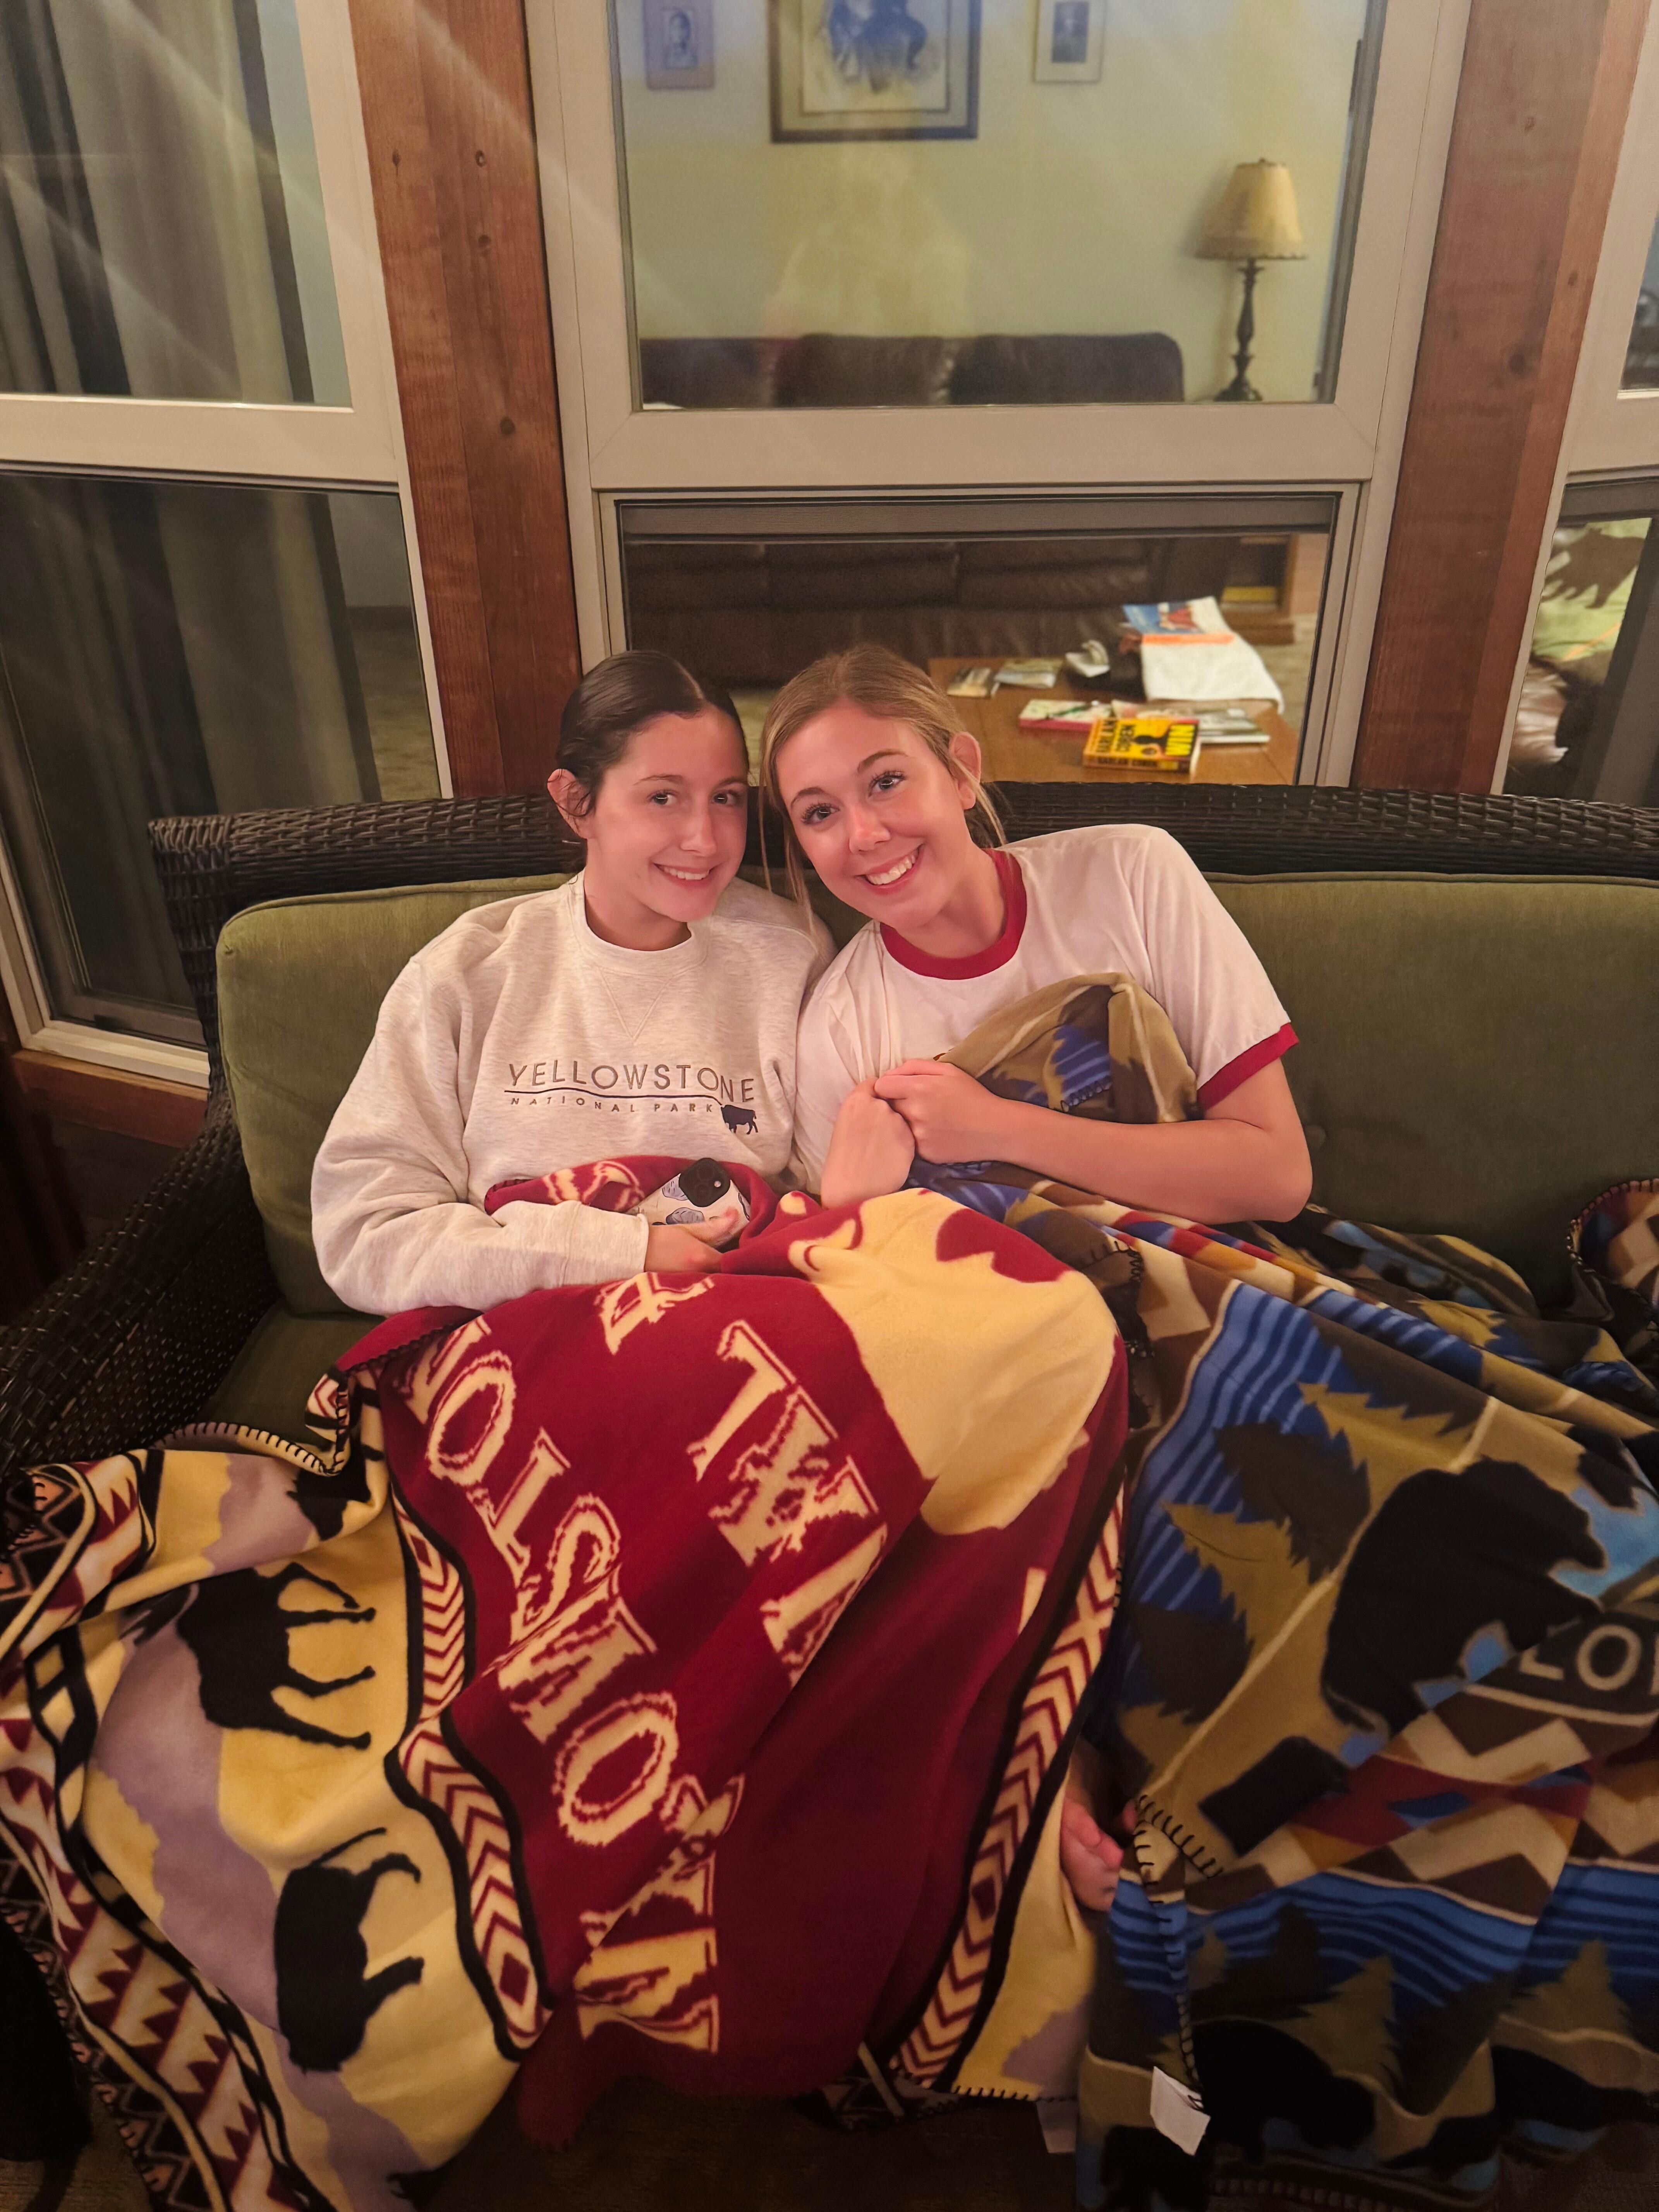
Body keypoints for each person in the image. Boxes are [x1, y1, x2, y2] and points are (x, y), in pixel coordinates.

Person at [759, 644, 1312, 1906]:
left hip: (1211, 1294)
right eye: (819, 814)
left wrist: (998, 1129)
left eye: (886, 779)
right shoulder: (839, 1021)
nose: (864, 835)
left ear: (962, 770)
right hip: (1025, 1371)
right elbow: (857, 1309)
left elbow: (1273, 1175)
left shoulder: (1128, 875)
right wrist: (845, 1206)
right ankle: (1058, 1753)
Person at [312, 652, 829, 1317]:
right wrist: (621, 1253)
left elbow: (827, 1203)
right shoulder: (471, 973)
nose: (705, 839)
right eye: (662, 797)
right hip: (517, 1342)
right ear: (574, 802)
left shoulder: (790, 958)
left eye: (725, 797)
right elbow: (363, 1236)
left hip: (735, 1329)